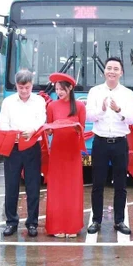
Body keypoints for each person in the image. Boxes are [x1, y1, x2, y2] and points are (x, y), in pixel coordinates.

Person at [85, 57, 133, 235]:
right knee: (98, 183)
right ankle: (96, 220)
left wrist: (118, 110)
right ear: (104, 71)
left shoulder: (128, 93)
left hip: (120, 142)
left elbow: (132, 119)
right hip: (100, 142)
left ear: (121, 72)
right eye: (109, 68)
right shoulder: (95, 92)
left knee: (120, 184)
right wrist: (102, 110)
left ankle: (119, 221)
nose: (112, 71)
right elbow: (88, 116)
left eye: (116, 69)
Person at [0, 69, 46, 238]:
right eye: (21, 87)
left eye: (27, 87)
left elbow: (42, 119)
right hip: (13, 147)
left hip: (32, 146)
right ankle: (11, 222)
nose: (24, 91)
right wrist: (14, 134)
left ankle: (32, 223)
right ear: (16, 86)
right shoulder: (8, 102)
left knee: (33, 185)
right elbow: (3, 123)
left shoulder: (39, 101)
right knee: (11, 185)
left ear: (31, 85)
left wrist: (33, 129)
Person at [45, 72, 86, 238]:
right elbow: (48, 130)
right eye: (56, 89)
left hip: (72, 150)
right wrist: (48, 129)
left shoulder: (80, 106)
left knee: (72, 187)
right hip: (57, 150)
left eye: (62, 89)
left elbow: (82, 129)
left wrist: (77, 128)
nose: (59, 92)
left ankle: (72, 226)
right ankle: (57, 226)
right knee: (57, 187)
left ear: (70, 88)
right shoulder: (51, 106)